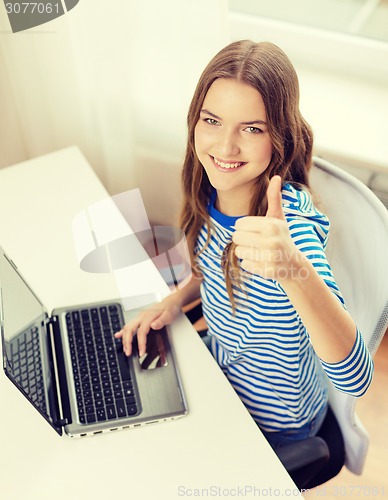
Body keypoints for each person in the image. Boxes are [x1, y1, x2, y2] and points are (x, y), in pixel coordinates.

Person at [115, 40, 374, 450]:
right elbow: (214, 266)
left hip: (273, 424)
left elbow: (357, 377)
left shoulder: (290, 237)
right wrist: (174, 301)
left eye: (252, 129)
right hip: (222, 380)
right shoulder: (215, 190)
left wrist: (292, 268)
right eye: (212, 121)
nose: (224, 147)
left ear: (280, 138)